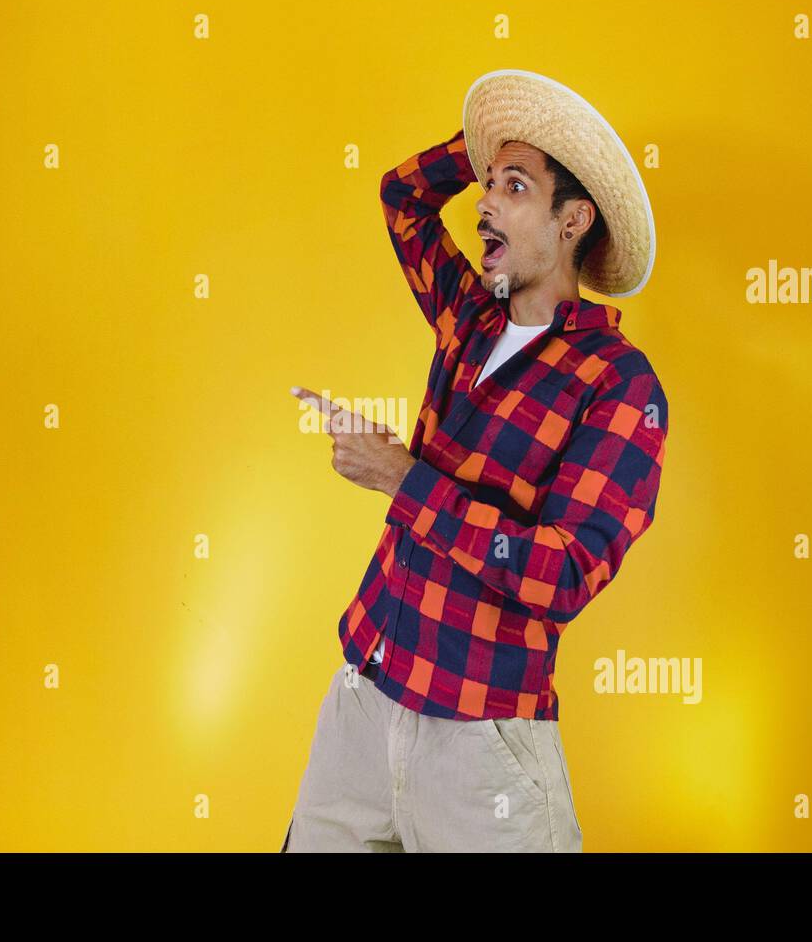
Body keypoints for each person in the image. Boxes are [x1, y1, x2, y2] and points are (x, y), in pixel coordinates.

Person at [282, 69, 667, 852]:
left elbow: (561, 574)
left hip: (482, 740)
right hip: (365, 694)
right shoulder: (469, 318)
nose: (486, 203)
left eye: (515, 188)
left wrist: (401, 476)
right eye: (489, 185)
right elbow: (402, 198)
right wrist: (487, 147)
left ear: (573, 221)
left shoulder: (618, 384)